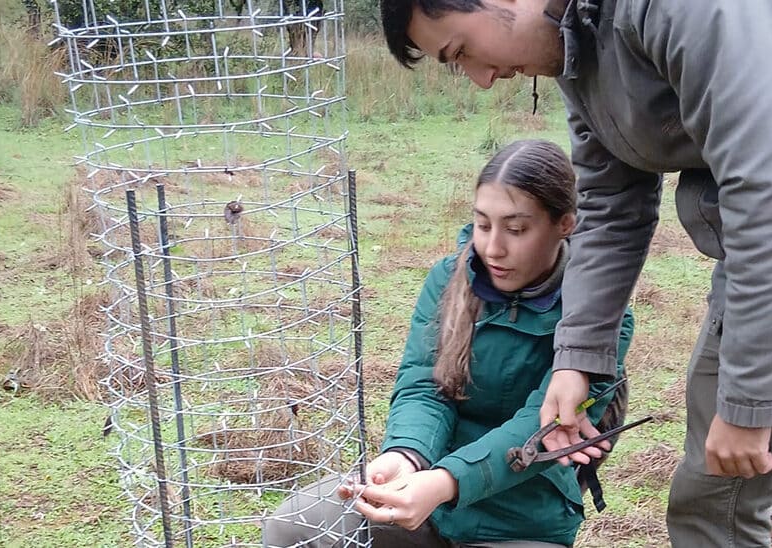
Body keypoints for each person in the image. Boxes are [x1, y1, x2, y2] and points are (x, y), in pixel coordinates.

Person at [379, 1, 772, 547]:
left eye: (462, 51)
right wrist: (577, 357)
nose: (482, 80)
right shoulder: (577, 41)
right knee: (710, 500)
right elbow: (611, 199)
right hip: (759, 261)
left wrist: (751, 401)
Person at [266, 139, 634, 547]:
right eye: (482, 224)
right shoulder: (448, 279)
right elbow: (424, 387)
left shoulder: (601, 320)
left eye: (516, 229)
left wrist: (444, 483)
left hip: (521, 518)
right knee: (293, 528)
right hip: (426, 491)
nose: (493, 248)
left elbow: (539, 429)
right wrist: (403, 456)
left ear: (564, 224)